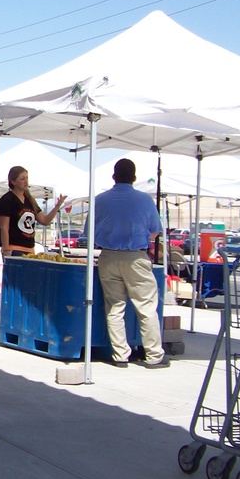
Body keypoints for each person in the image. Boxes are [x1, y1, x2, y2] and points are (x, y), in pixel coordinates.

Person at [86, 158, 168, 369]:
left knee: (114, 307)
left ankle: (120, 355)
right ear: (134, 177)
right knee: (147, 307)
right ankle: (154, 355)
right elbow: (156, 231)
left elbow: (89, 234)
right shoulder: (145, 200)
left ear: (114, 177)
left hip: (108, 256)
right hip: (136, 257)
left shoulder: (99, 200)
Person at [0, 166, 66, 257]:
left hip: (29, 248)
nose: (26, 181)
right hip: (15, 248)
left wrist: (57, 207)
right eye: (22, 178)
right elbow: (4, 227)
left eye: (27, 178)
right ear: (13, 182)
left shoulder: (30, 200)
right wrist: (6, 249)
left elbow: (45, 220)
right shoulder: (7, 200)